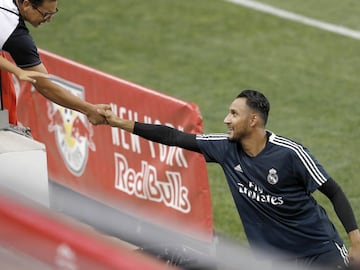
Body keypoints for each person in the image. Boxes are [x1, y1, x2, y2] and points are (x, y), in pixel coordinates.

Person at [98, 89, 360, 269]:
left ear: (253, 120)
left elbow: (334, 191)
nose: (226, 120)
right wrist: (118, 122)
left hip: (319, 252)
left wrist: (356, 242)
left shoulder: (290, 154)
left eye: (234, 114)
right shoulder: (224, 148)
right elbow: (173, 137)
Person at [0, 0, 109, 125]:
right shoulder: (15, 35)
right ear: (26, 5)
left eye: (53, 13)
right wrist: (89, 109)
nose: (49, 20)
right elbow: (45, 86)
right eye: (46, 14)